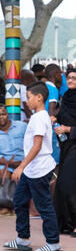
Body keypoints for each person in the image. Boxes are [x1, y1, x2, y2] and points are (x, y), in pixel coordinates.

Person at [4, 81, 63, 251]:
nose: (26, 101)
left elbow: (37, 146)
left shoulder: (39, 118)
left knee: (43, 205)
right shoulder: (39, 117)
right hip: (32, 170)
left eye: (29, 97)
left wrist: (21, 166)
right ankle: (22, 238)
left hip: (38, 170)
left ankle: (53, 243)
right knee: (20, 200)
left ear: (39, 98)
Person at [0, 104, 26, 216]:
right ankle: (6, 206)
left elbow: (30, 144)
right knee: (2, 173)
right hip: (5, 164)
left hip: (23, 162)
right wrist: (10, 164)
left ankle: (17, 205)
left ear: (8, 114)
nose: (1, 117)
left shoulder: (22, 127)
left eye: (4, 114)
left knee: (21, 174)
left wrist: (22, 164)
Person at [53, 68, 76, 236]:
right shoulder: (66, 98)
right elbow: (64, 116)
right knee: (64, 184)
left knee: (67, 184)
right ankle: (67, 223)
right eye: (69, 77)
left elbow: (69, 125)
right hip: (66, 147)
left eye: (75, 78)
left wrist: (67, 129)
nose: (71, 80)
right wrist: (55, 119)